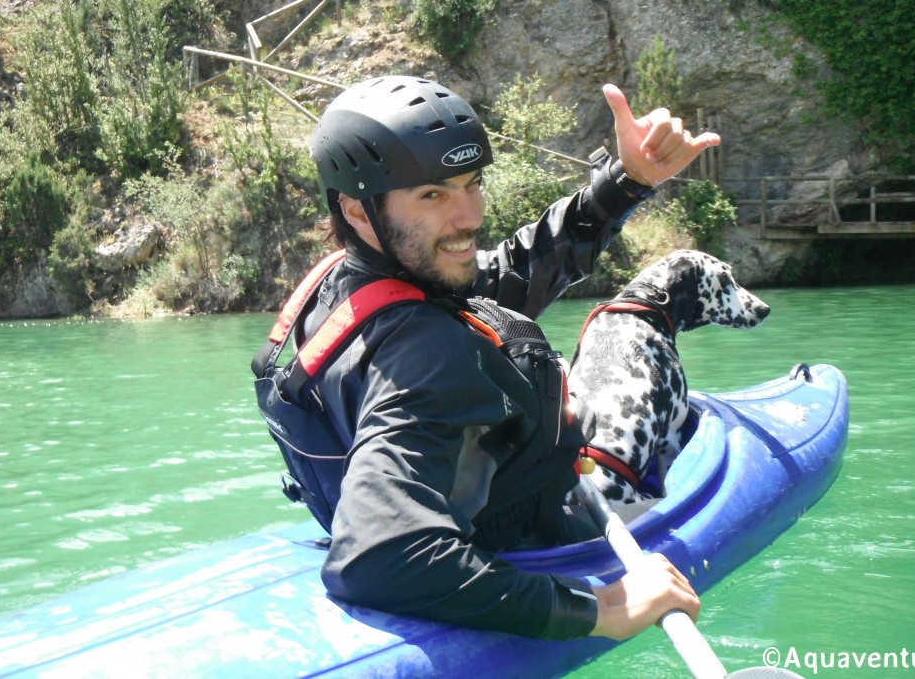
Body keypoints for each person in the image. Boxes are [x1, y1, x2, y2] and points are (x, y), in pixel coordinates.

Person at [280, 74, 719, 641]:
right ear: (359, 211)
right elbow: (376, 557)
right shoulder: (426, 355)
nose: (469, 216)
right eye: (433, 194)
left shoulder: (343, 284)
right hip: (523, 539)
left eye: (472, 183)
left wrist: (626, 182)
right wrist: (598, 611)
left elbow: (509, 273)